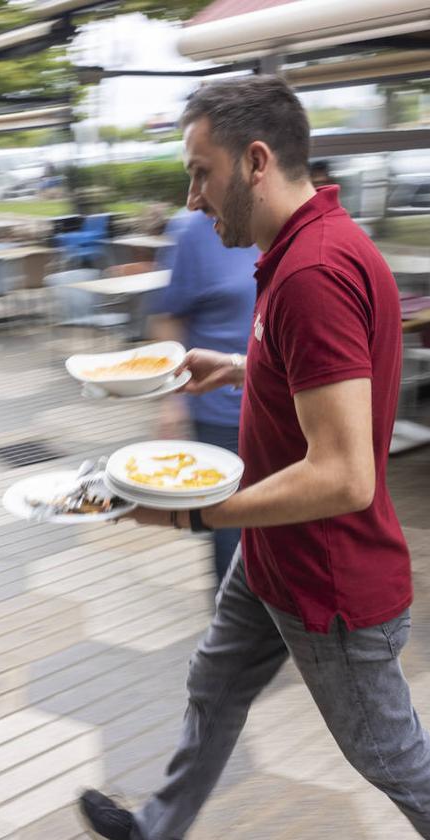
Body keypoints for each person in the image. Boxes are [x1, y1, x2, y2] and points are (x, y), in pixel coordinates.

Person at [79, 76, 430, 840]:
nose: (192, 198)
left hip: (326, 581)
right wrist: (240, 366)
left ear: (256, 160)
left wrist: (196, 512)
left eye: (201, 171)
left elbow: (343, 474)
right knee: (216, 681)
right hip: (273, 554)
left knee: (394, 757)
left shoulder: (311, 276)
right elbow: (328, 381)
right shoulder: (311, 242)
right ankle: (158, 828)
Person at [149, 207, 257, 585]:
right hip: (221, 414)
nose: (194, 193)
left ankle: (267, 632)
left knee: (276, 528)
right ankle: (232, 629)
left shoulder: (280, 225)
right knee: (232, 531)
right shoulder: (192, 231)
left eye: (203, 173)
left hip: (282, 409)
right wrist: (171, 398)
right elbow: (167, 316)